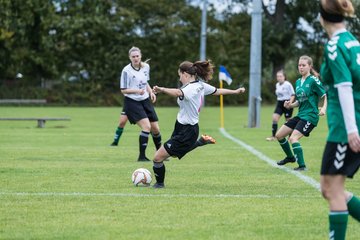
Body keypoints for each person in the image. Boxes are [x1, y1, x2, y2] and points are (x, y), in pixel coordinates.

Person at [151, 60, 246, 188]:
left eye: (179, 75)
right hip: (182, 127)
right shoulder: (200, 85)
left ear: (185, 74)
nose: (179, 78)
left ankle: (159, 184)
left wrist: (161, 89)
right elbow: (217, 91)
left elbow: (178, 93)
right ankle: (200, 142)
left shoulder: (191, 88)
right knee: (173, 154)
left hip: (187, 130)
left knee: (157, 158)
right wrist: (235, 91)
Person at [319, 1, 360, 239]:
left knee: (333, 190)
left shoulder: (335, 45)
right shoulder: (353, 42)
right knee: (328, 188)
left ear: (321, 17)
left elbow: (344, 87)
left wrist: (353, 130)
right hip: (344, 127)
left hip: (346, 129)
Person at [275, 55, 327, 171]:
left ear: (309, 66)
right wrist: (290, 105)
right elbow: (299, 101)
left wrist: (323, 108)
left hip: (310, 116)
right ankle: (290, 157)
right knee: (279, 135)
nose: (301, 67)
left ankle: (302, 166)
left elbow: (324, 95)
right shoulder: (298, 82)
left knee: (293, 138)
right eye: (299, 65)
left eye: (303, 65)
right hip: (300, 115)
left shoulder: (313, 80)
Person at [119, 46, 162, 161]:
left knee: (156, 129)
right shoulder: (126, 71)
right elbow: (123, 90)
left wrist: (151, 92)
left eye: (137, 56)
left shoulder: (146, 67)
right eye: (133, 57)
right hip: (132, 102)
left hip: (145, 100)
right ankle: (141, 156)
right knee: (146, 127)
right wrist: (137, 91)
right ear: (130, 58)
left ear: (140, 56)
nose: (135, 58)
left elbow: (145, 82)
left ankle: (160, 154)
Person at [266, 70, 295, 141]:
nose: (279, 78)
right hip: (279, 103)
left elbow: (293, 94)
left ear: (284, 77)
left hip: (287, 103)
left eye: (280, 76)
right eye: (277, 76)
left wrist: (290, 103)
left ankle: (291, 136)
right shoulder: (277, 85)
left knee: (288, 120)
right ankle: (273, 136)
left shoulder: (287, 84)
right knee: (274, 118)